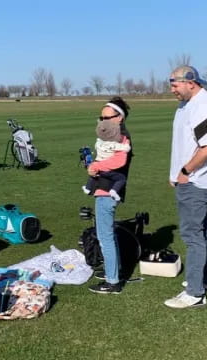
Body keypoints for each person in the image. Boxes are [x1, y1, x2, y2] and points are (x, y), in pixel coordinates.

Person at [165, 66, 207, 309]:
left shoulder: (203, 106)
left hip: (196, 182)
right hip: (190, 180)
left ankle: (195, 292)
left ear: (191, 82)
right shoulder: (188, 105)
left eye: (175, 84)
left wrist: (185, 171)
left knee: (192, 236)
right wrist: (175, 172)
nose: (172, 89)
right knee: (204, 230)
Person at [87, 97, 133, 295]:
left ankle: (113, 281)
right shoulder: (113, 134)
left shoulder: (121, 136)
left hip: (108, 191)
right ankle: (114, 270)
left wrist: (95, 166)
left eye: (108, 117)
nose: (103, 121)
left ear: (119, 118)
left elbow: (119, 161)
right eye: (101, 117)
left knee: (104, 236)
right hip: (104, 188)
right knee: (107, 234)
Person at [82, 116, 131, 201]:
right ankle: (114, 191)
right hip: (106, 169)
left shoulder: (98, 142)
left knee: (94, 174)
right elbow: (126, 148)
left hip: (98, 164)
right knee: (121, 178)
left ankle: (88, 188)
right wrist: (126, 143)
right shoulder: (112, 144)